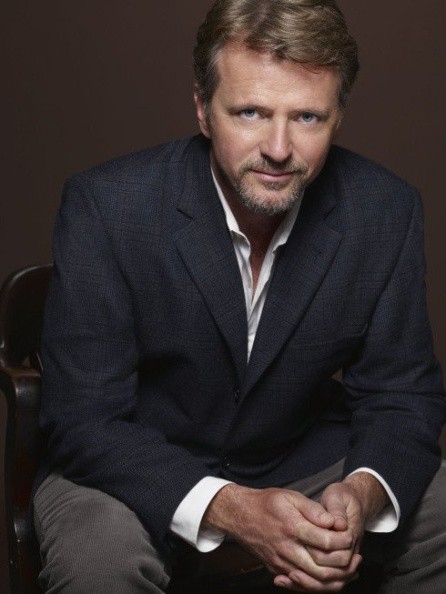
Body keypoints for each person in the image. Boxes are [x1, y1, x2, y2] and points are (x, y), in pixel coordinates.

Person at [34, 0, 446, 592]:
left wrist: (361, 494)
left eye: (308, 117)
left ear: (338, 117)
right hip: (126, 467)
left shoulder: (384, 211)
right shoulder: (108, 207)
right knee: (98, 562)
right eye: (250, 112)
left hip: (297, 460)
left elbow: (402, 395)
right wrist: (230, 507)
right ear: (203, 110)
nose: (278, 148)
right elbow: (83, 420)